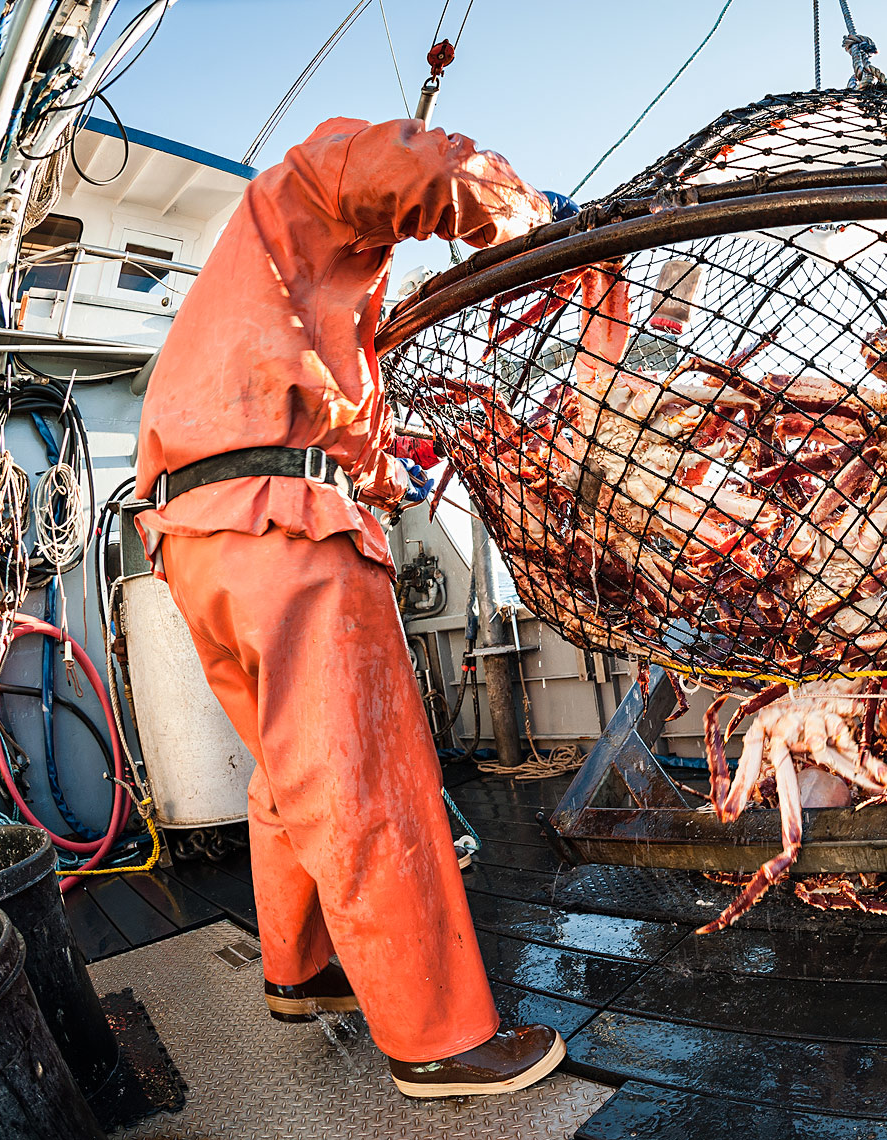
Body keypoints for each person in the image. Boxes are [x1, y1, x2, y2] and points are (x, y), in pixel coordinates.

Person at [133, 117, 568, 1099]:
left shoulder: (286, 295)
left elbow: (343, 426)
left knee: (291, 777)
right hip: (286, 530)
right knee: (367, 775)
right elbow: (436, 168)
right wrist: (531, 217)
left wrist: (383, 472)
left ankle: (299, 969)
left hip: (197, 535)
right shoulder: (318, 173)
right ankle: (440, 1039)